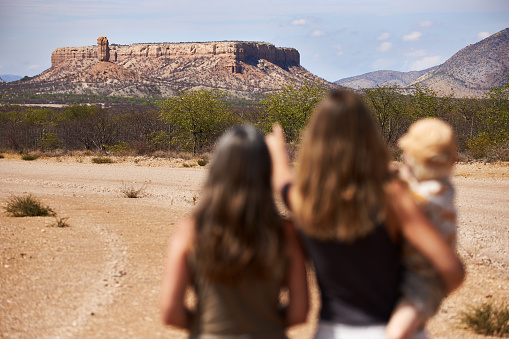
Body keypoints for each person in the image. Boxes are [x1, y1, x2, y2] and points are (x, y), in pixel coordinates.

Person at [265, 89, 464, 339]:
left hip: (333, 331)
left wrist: (277, 151)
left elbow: (282, 181)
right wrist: (419, 304)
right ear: (369, 138)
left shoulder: (304, 200)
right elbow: (452, 271)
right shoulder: (392, 195)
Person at [159, 125, 309, 339]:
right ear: (267, 171)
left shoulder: (191, 229)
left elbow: (170, 313)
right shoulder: (285, 232)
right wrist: (267, 325)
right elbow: (299, 313)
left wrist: (206, 326)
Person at [386, 118, 459, 339]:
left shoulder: (427, 196)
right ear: (453, 160)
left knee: (397, 333)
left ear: (410, 158)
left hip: (425, 280)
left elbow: (405, 197)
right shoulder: (444, 187)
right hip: (424, 273)